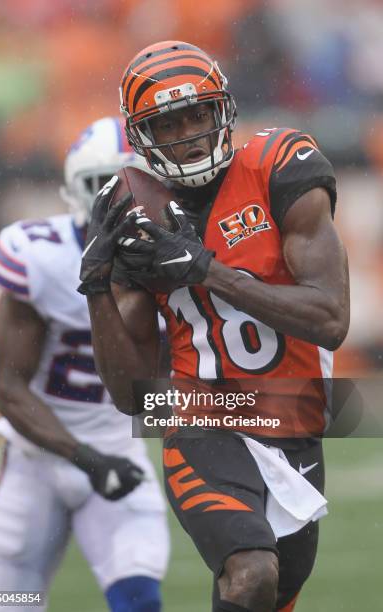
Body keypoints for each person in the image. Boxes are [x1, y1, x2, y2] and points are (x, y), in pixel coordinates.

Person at [79, 42, 350, 612]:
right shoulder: (135, 210)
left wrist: (208, 272)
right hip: (201, 419)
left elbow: (330, 319)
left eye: (197, 115)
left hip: (292, 415)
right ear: (141, 134)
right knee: (250, 573)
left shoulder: (279, 165)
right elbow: (131, 395)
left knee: (268, 592)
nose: (187, 135)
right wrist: (98, 288)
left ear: (222, 110)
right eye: (166, 123)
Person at [0, 117, 170, 612]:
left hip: (119, 452)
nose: (115, 204)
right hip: (36, 462)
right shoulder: (39, 256)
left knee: (139, 599)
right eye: (100, 187)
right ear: (73, 190)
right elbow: (10, 390)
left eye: (128, 185)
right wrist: (86, 457)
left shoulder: (178, 259)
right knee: (8, 602)